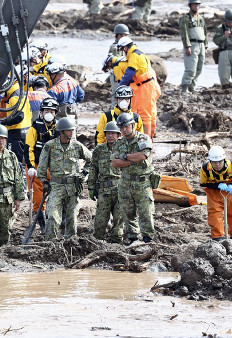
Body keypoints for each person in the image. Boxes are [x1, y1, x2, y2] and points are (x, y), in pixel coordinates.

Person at [37, 117, 92, 241]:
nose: (71, 133)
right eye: (68, 130)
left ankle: (71, 242)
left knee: (72, 216)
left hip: (73, 187)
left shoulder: (77, 146)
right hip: (56, 186)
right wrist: (44, 182)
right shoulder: (50, 146)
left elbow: (91, 160)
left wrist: (84, 173)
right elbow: (41, 168)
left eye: (72, 130)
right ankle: (50, 243)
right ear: (61, 132)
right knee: (52, 216)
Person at [111, 113, 155, 244]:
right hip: (125, 182)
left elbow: (142, 156)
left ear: (133, 125)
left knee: (145, 212)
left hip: (142, 182)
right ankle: (133, 238)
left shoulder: (143, 138)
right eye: (121, 127)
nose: (124, 129)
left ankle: (148, 238)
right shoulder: (119, 142)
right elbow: (114, 163)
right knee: (127, 212)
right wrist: (132, 160)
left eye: (126, 126)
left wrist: (124, 157)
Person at [24, 98, 60, 233]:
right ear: (41, 112)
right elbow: (28, 149)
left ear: (55, 113)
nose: (49, 113)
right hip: (38, 168)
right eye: (46, 110)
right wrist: (31, 166)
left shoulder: (59, 129)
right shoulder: (34, 129)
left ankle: (58, 222)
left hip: (55, 168)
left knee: (59, 197)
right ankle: (43, 227)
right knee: (38, 199)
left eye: (51, 111)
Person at [200, 146, 232, 241]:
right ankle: (218, 237)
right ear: (210, 161)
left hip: (231, 191)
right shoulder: (205, 168)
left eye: (220, 162)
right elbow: (203, 183)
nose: (217, 165)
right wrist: (217, 185)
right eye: (214, 162)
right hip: (214, 193)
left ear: (224, 159)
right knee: (214, 215)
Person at [117, 37, 161, 139]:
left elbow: (129, 73)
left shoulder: (134, 56)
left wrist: (120, 87)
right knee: (151, 113)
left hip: (146, 86)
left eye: (122, 49)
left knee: (145, 115)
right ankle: (150, 137)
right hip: (150, 84)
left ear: (126, 48)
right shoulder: (139, 53)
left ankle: (146, 140)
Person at [88, 121, 124, 243]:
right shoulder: (99, 150)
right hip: (104, 191)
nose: (110, 136)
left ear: (119, 135)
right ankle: (98, 243)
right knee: (100, 220)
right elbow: (93, 168)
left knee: (119, 219)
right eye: (108, 133)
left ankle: (116, 244)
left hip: (120, 190)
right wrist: (91, 187)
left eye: (113, 133)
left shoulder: (124, 149)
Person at [0, 64, 32, 166]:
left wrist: (4, 123)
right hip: (26, 131)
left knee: (14, 162)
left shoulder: (14, 97)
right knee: (20, 162)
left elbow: (19, 116)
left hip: (16, 133)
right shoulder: (20, 92)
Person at [179, 0, 208, 93]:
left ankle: (192, 87)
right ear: (190, 5)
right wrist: (187, 46)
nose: (196, 6)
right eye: (194, 4)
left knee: (199, 68)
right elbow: (184, 33)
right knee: (191, 68)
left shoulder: (201, 18)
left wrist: (206, 46)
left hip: (201, 45)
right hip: (192, 45)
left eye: (198, 4)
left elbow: (205, 32)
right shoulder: (186, 18)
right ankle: (185, 87)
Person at [46, 62, 85, 128]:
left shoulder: (54, 90)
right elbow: (81, 95)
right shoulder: (73, 82)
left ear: (55, 74)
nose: (49, 77)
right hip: (72, 118)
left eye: (50, 74)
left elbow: (48, 108)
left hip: (59, 122)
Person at [108, 24, 130, 108]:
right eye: (125, 35)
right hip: (115, 75)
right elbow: (117, 61)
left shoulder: (120, 46)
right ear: (119, 35)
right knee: (116, 97)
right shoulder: (115, 47)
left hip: (119, 75)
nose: (126, 37)